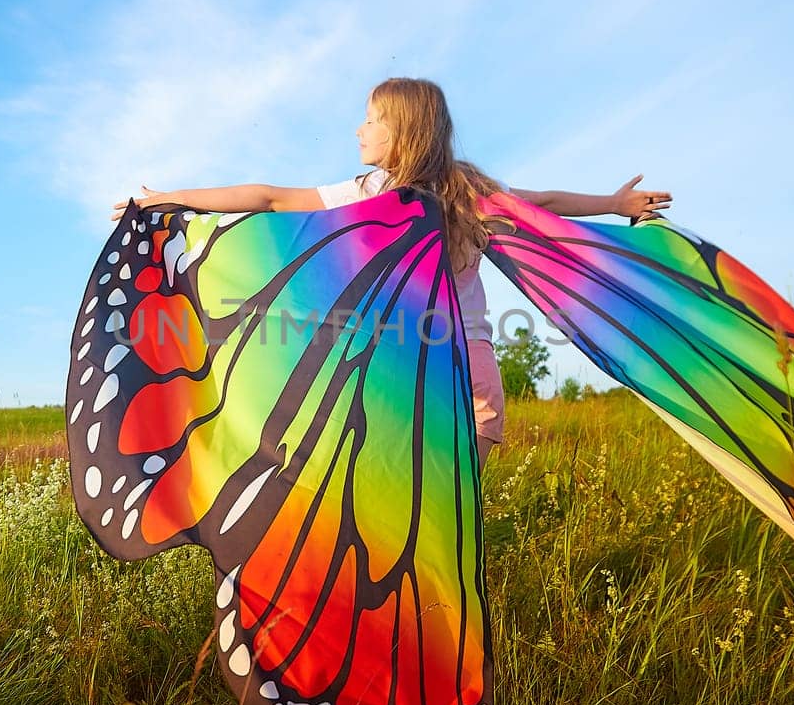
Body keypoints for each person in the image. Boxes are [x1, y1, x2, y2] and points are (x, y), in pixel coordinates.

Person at [110, 77, 672, 468]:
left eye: (372, 119)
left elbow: (542, 201)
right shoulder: (364, 194)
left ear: (403, 132)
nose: (358, 129)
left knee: (461, 461)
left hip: (450, 355)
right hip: (396, 356)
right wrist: (171, 200)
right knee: (398, 465)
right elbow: (268, 198)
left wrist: (613, 204)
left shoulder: (465, 191)